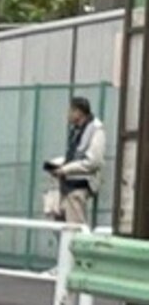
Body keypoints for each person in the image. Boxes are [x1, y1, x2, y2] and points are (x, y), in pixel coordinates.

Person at [45, 95, 107, 229]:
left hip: (80, 183)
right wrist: (59, 165)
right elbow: (74, 155)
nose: (67, 114)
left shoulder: (96, 129)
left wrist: (65, 169)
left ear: (78, 112)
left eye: (70, 111)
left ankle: (74, 249)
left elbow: (93, 162)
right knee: (59, 222)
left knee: (74, 228)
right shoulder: (76, 130)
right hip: (68, 182)